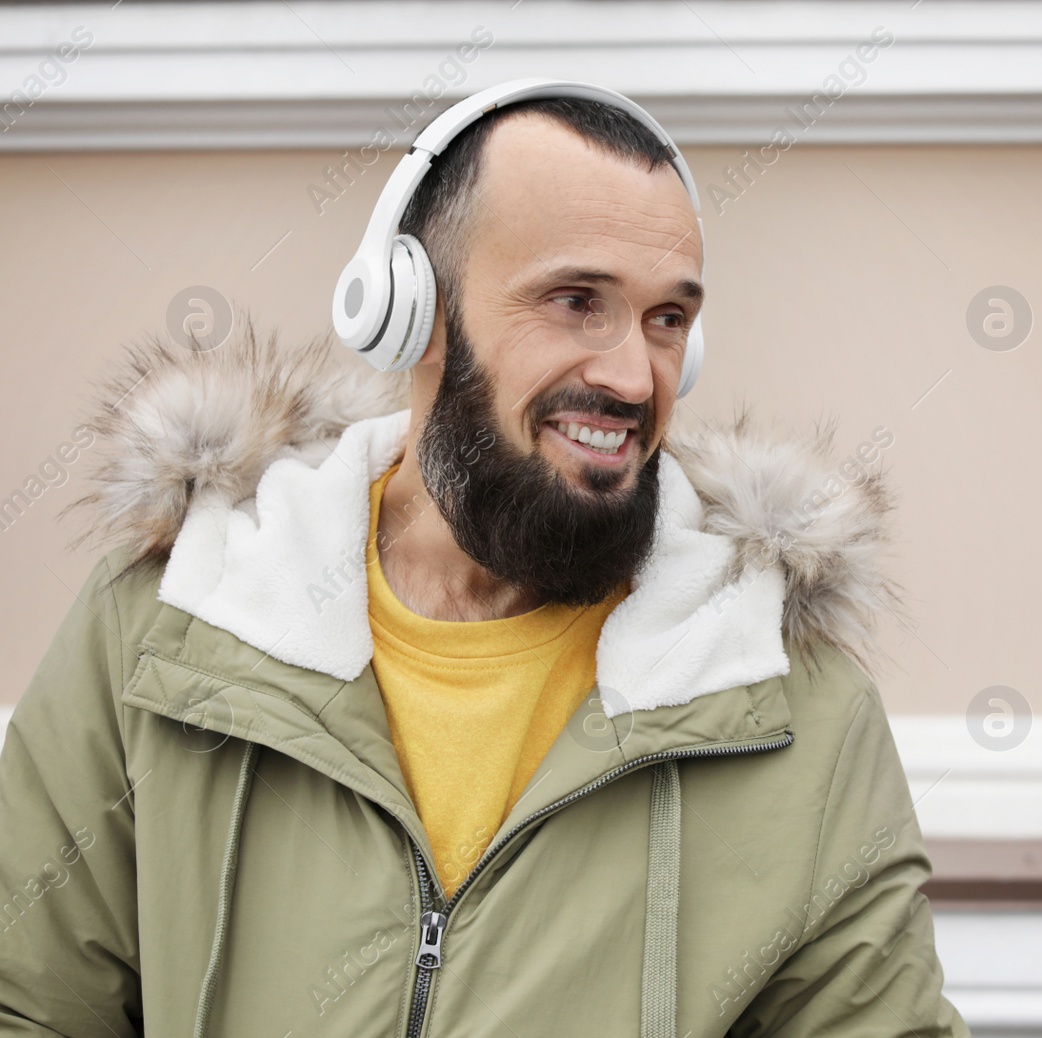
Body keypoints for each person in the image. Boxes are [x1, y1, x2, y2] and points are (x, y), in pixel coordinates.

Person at [0, 90, 969, 1036]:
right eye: (575, 301)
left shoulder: (788, 703)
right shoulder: (168, 628)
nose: (633, 375)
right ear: (410, 311)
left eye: (666, 320)